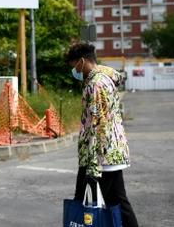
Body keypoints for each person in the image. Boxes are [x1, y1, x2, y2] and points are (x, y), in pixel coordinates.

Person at [67, 42, 139, 226]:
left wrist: (92, 166)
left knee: (84, 203)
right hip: (109, 153)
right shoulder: (101, 78)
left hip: (101, 156)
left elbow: (99, 125)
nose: (74, 70)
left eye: (74, 65)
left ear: (82, 61)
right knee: (118, 202)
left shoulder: (96, 85)